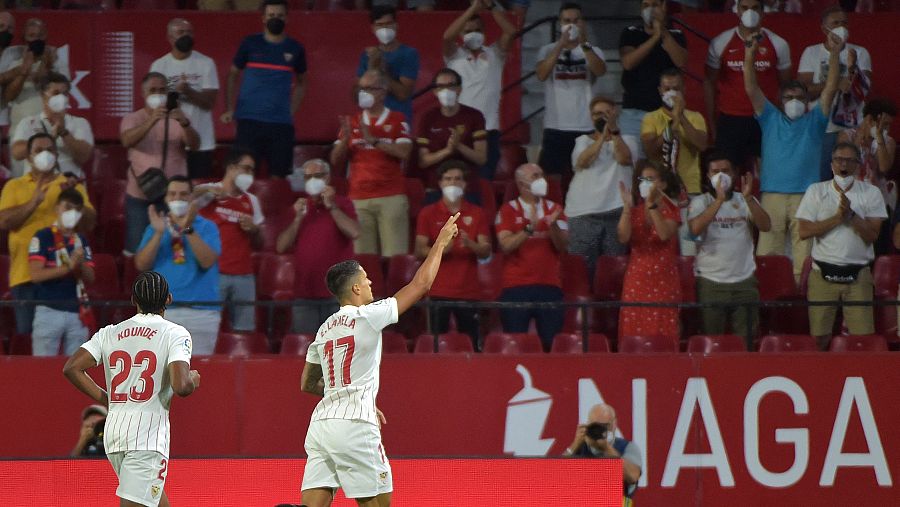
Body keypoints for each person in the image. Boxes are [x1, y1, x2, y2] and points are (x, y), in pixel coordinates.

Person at [299, 213, 460, 507]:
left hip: (321, 426)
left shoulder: (323, 330)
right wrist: (440, 243)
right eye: (365, 278)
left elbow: (307, 383)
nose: (371, 281)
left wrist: (346, 394)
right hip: (355, 425)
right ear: (355, 289)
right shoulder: (367, 316)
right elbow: (420, 286)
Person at [63, 271, 201, 507]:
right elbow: (181, 386)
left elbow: (72, 368)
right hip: (147, 437)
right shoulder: (175, 333)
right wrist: (192, 379)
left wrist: (108, 399)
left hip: (115, 434)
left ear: (133, 300)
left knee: (153, 501)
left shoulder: (109, 332)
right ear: (168, 299)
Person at [745, 30, 840, 282]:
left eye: (800, 97)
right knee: (768, 255)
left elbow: (830, 88)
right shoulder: (769, 117)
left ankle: (801, 304)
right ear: (780, 100)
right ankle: (767, 304)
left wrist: (835, 54)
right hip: (772, 195)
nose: (794, 101)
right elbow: (751, 87)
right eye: (789, 97)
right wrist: (750, 54)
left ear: (808, 100)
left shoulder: (816, 120)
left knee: (805, 257)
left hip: (806, 196)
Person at [0, 133, 95, 336]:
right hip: (25, 276)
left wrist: (76, 197)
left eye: (50, 150)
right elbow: (4, 221)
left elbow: (89, 223)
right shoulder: (14, 186)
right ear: (29, 157)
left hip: (66, 278)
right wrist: (34, 202)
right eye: (38, 150)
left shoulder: (70, 185)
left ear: (57, 154)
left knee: (67, 342)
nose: (45, 154)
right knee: (27, 338)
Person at [797, 142, 886, 350]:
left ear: (857, 165)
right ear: (831, 164)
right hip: (822, 274)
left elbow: (872, 235)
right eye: (838, 160)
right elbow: (804, 231)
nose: (843, 165)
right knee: (818, 339)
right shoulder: (816, 191)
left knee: (863, 340)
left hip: (858, 276)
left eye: (848, 160)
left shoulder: (871, 193)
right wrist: (837, 218)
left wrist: (851, 216)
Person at [688, 152, 771, 346]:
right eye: (715, 172)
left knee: (747, 342)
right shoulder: (700, 202)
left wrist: (750, 198)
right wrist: (718, 200)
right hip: (711, 282)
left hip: (744, 281)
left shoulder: (745, 200)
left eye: (725, 171)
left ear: (734, 174)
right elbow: (694, 231)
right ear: (708, 176)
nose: (721, 176)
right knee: (711, 342)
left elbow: (766, 225)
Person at [135, 177, 222, 355]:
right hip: (162, 313)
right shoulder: (156, 227)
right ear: (166, 198)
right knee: (162, 375)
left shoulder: (207, 227)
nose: (177, 198)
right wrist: (158, 234)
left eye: (183, 194)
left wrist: (188, 228)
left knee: (198, 374)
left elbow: (207, 261)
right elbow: (142, 264)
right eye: (172, 194)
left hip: (201, 313)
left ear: (192, 198)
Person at [331, 69, 412, 258]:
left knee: (395, 258)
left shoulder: (397, 119)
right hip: (358, 198)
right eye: (361, 88)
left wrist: (374, 140)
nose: (363, 93)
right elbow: (335, 160)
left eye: (369, 88)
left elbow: (405, 152)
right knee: (362, 259)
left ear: (382, 92)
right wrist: (345, 140)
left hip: (390, 196)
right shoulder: (352, 122)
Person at [222, 0, 307, 178]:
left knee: (279, 177)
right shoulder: (249, 43)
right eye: (271, 15)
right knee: (244, 176)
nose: (275, 19)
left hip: (281, 125)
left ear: (287, 18)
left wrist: (290, 112)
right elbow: (232, 76)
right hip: (248, 121)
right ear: (263, 18)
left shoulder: (295, 48)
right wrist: (230, 108)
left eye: (280, 15)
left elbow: (301, 82)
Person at [704, 0, 790, 171]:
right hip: (731, 119)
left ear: (763, 11)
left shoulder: (778, 44)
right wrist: (713, 124)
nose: (749, 12)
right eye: (744, 8)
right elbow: (709, 83)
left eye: (754, 8)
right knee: (728, 172)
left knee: (769, 171)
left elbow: (786, 86)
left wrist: (781, 122)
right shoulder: (720, 42)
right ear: (737, 11)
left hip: (766, 119)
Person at [276, 159, 360, 333]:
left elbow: (354, 232)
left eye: (317, 176)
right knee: (306, 349)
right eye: (308, 177)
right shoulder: (299, 207)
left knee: (339, 348)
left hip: (338, 294)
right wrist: (298, 218)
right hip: (305, 293)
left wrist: (332, 207)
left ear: (327, 178)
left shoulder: (343, 203)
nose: (312, 181)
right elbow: (281, 246)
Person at [120, 71, 199, 256]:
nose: (157, 94)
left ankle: (172, 283)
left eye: (162, 90)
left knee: (175, 248)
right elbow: (126, 141)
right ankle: (137, 284)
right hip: (140, 195)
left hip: (173, 196)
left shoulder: (178, 117)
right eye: (152, 90)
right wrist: (152, 119)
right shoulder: (133, 118)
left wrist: (185, 123)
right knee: (137, 248)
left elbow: (194, 145)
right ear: (143, 93)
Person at [415, 160, 491, 349]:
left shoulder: (477, 213)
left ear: (465, 184)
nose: (453, 183)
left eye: (458, 179)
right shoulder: (428, 213)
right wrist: (442, 247)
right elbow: (419, 250)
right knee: (436, 346)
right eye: (448, 179)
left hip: (468, 291)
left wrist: (470, 244)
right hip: (437, 291)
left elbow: (486, 250)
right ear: (440, 183)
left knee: (472, 345)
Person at [495, 163, 568, 350]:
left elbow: (563, 246)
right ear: (521, 184)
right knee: (516, 344)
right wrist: (529, 229)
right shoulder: (508, 210)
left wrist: (552, 226)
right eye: (535, 176)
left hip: (549, 286)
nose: (541, 179)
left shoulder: (555, 209)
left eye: (541, 175)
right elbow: (505, 245)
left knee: (551, 344)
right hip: (517, 288)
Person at [442, 0, 516, 180]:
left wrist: (491, 6)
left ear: (484, 32)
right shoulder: (454, 57)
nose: (473, 34)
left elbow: (511, 32)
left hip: (489, 130)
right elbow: (447, 37)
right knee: (459, 183)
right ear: (461, 34)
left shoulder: (495, 54)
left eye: (477, 30)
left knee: (483, 185)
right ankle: (458, 211)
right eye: (467, 31)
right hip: (461, 130)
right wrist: (473, 7)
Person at [798, 5, 872, 180]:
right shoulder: (812, 52)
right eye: (836, 22)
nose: (841, 26)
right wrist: (835, 84)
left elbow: (864, 90)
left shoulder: (860, 53)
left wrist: (853, 70)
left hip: (851, 127)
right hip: (821, 127)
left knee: (848, 179)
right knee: (821, 178)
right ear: (824, 28)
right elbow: (804, 91)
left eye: (844, 23)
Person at [641, 67, 708, 254]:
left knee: (689, 248)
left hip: (690, 190)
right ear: (660, 91)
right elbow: (650, 149)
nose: (671, 93)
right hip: (661, 192)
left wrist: (682, 117)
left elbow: (701, 145)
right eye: (667, 88)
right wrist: (673, 124)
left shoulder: (696, 117)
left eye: (676, 88)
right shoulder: (650, 118)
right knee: (662, 243)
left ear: (684, 90)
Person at [535, 2, 606, 177]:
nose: (572, 24)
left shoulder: (593, 50)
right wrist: (560, 44)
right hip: (555, 126)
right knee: (550, 178)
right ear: (560, 24)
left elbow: (599, 70)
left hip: (586, 125)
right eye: (567, 20)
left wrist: (584, 43)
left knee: (585, 174)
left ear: (583, 23)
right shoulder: (547, 50)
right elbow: (542, 74)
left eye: (576, 20)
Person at [566, 96, 635, 276]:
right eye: (596, 114)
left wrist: (614, 134)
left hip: (616, 212)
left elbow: (624, 158)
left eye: (606, 113)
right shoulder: (582, 140)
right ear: (590, 116)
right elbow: (582, 161)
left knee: (612, 271)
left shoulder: (628, 139)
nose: (601, 117)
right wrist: (602, 138)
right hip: (583, 214)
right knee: (582, 270)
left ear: (615, 114)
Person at [195, 149, 262, 332]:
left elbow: (260, 242)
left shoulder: (252, 200)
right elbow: (184, 200)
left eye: (252, 171)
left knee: (244, 331)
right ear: (231, 168)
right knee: (206, 325)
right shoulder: (209, 192)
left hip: (244, 275)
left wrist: (254, 230)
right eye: (246, 169)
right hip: (214, 273)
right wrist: (203, 190)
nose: (249, 175)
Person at [617, 160, 682, 341]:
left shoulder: (671, 210)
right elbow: (623, 237)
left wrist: (652, 205)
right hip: (637, 280)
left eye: (651, 179)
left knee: (662, 335)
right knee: (634, 335)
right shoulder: (635, 211)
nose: (645, 183)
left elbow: (663, 234)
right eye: (642, 179)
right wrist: (626, 208)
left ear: (663, 184)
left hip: (663, 282)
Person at [150, 18, 220, 179]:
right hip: (171, 142)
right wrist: (173, 96)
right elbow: (154, 103)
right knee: (172, 192)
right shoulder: (159, 66)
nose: (186, 36)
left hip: (201, 142)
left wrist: (188, 91)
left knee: (198, 190)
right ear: (170, 37)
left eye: (189, 32)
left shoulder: (206, 63)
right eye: (181, 33)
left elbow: (209, 103)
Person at [28, 188, 95, 356]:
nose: (72, 213)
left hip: (77, 311)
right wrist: (68, 267)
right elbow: (35, 275)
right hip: (49, 309)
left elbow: (91, 278)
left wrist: (80, 265)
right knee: (42, 369)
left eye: (77, 210)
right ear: (57, 208)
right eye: (68, 207)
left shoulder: (81, 241)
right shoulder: (43, 237)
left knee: (76, 372)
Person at [618, 0, 687, 159]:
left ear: (663, 7)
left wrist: (662, 32)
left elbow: (680, 61)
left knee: (665, 161)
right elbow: (628, 62)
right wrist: (654, 38)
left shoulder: (676, 34)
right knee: (632, 161)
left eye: (655, 5)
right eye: (646, 5)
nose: (651, 9)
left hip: (666, 112)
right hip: (634, 111)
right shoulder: (631, 33)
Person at [0, 17, 70, 156]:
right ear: (24, 38)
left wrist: (46, 65)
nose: (36, 39)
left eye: (40, 35)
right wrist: (23, 72)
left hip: (49, 129)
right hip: (20, 130)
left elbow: (61, 90)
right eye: (31, 36)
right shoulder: (16, 62)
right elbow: (8, 96)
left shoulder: (57, 62)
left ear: (46, 36)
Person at [838, 98, 896, 254]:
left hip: (877, 205)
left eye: (888, 125)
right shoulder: (847, 136)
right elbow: (843, 167)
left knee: (877, 252)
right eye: (884, 124)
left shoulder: (887, 142)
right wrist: (859, 143)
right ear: (870, 120)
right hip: (852, 203)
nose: (887, 129)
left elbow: (884, 167)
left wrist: (879, 138)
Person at [10, 72, 93, 178]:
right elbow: (17, 153)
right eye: (56, 93)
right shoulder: (28, 123)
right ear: (43, 95)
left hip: (69, 188)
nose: (61, 97)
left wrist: (64, 133)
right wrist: (45, 140)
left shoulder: (80, 123)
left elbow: (84, 156)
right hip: (36, 188)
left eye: (65, 93)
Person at [415, 68, 487, 187]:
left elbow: (481, 158)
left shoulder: (475, 116)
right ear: (435, 91)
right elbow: (423, 161)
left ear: (459, 89)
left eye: (451, 85)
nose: (446, 90)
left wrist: (458, 145)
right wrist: (447, 150)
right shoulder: (427, 117)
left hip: (467, 185)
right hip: (436, 185)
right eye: (441, 86)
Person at [563, 403, 642, 505]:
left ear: (614, 425)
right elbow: (555, 479)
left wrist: (607, 448)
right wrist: (575, 445)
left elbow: (632, 477)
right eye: (595, 426)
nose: (600, 430)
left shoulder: (627, 448)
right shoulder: (578, 449)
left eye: (605, 426)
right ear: (588, 425)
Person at [356, 5, 420, 124]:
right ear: (373, 28)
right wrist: (370, 71)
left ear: (396, 25)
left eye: (389, 24)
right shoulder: (367, 55)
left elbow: (403, 94)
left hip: (399, 120)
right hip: (371, 120)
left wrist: (380, 71)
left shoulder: (409, 54)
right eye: (379, 25)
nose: (384, 28)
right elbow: (357, 96)